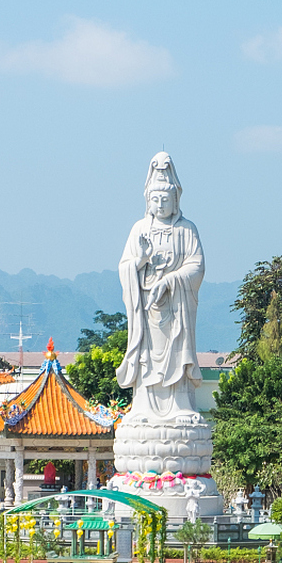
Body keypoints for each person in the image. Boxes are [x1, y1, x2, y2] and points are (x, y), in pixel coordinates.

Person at [116, 152, 204, 418]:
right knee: (147, 359)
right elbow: (124, 266)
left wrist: (169, 281)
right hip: (146, 310)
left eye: (166, 199)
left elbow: (197, 265)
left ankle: (180, 405)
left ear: (175, 199)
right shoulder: (138, 229)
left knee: (176, 357)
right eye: (155, 199)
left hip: (176, 310)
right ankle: (144, 405)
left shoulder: (187, 230)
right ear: (148, 200)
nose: (161, 204)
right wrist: (140, 260)